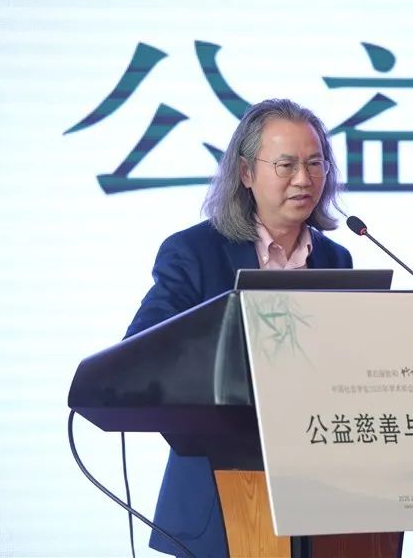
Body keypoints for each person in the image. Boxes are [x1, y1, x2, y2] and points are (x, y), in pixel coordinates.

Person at [124, 98, 353, 557]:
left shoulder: (336, 259)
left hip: (321, 502)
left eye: (315, 164)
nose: (304, 179)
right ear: (246, 172)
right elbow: (143, 353)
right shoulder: (194, 253)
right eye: (286, 165)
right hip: (220, 498)